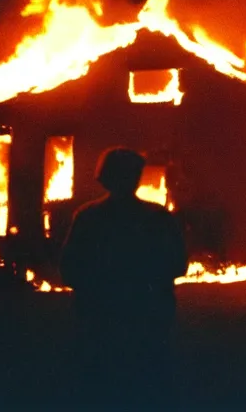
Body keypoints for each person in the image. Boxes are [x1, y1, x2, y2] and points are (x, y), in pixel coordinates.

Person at [60, 147, 188, 408]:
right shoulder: (159, 218)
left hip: (99, 319)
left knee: (100, 388)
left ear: (103, 177)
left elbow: (69, 268)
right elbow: (178, 265)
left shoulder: (87, 217)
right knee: (150, 384)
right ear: (137, 177)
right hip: (149, 317)